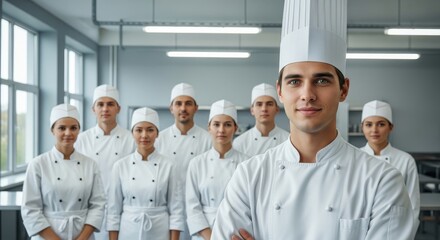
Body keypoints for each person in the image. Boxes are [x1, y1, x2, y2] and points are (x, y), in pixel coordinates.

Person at [211, 0, 413, 239]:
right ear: (281, 91)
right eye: (295, 81)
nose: (307, 94)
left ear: (343, 89)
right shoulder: (249, 176)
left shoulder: (381, 180)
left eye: (322, 80)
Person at [21, 104, 106, 240]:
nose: (68, 133)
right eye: (62, 128)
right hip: (47, 236)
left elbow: (98, 205)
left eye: (73, 128)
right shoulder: (38, 164)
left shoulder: (90, 165)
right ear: (52, 130)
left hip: (83, 235)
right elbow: (30, 209)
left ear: (79, 130)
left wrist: (82, 238)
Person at [106, 107, 184, 240]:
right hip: (129, 230)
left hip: (159, 231)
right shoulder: (120, 166)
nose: (144, 135)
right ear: (132, 133)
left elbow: (176, 210)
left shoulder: (169, 165)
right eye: (139, 130)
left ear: (157, 133)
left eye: (150, 130)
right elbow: (113, 211)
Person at [75, 84, 136, 239]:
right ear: (93, 109)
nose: (105, 109)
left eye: (110, 104)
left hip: (122, 212)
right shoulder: (81, 140)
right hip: (88, 213)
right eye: (100, 104)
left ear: (118, 108)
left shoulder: (131, 139)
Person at [186, 100, 249, 240]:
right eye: (216, 124)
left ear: (235, 128)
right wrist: (212, 237)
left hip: (235, 232)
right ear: (209, 127)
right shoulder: (196, 164)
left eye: (227, 125)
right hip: (204, 234)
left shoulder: (247, 163)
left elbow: (249, 206)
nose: (221, 130)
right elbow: (192, 208)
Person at [155, 83, 211, 240]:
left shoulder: (208, 140)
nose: (183, 108)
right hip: (167, 212)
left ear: (196, 108)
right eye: (178, 103)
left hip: (200, 212)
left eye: (188, 103)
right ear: (171, 108)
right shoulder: (159, 139)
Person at [360, 100, 420, 237]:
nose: (374, 130)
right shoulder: (354, 158)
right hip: (361, 229)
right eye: (369, 125)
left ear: (391, 127)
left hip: (396, 230)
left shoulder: (406, 160)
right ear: (362, 127)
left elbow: (413, 205)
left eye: (381, 124)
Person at [233, 83, 289, 156]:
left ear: (277, 109)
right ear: (252, 110)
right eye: (259, 104)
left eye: (269, 104)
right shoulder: (239, 142)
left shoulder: (288, 140)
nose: (264, 109)